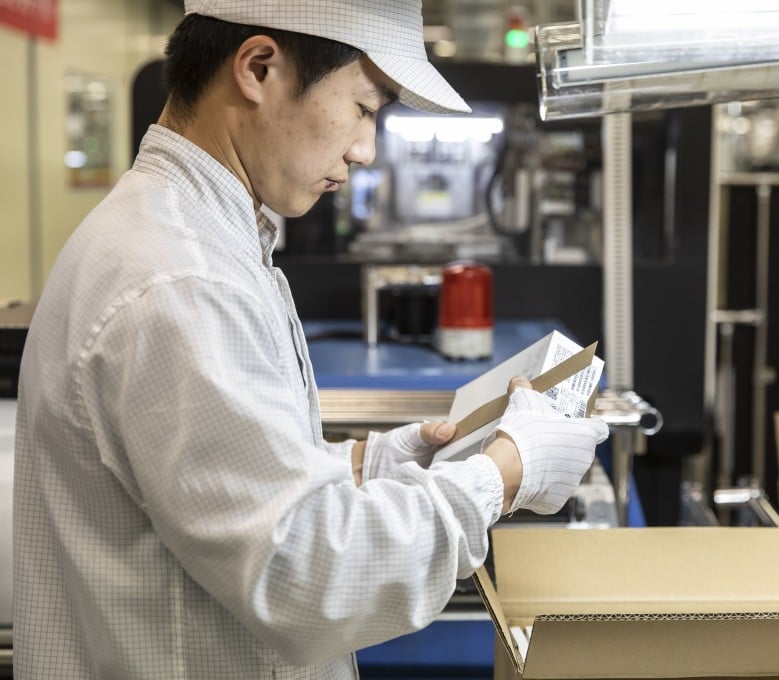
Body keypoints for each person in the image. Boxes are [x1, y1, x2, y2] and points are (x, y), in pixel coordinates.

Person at [12, 2, 609, 678]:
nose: (367, 148)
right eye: (363, 107)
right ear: (259, 69)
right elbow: (311, 576)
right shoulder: (182, 278)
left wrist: (378, 464)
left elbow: (229, 488)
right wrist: (506, 473)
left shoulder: (204, 239)